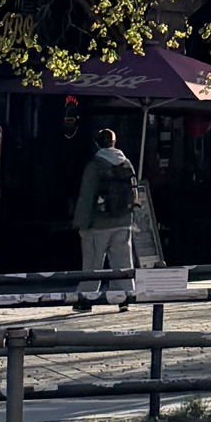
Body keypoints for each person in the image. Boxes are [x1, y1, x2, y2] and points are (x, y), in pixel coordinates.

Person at [72, 127, 137, 308]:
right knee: (122, 263)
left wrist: (81, 224)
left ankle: (86, 298)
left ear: (97, 143)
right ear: (114, 143)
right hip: (124, 221)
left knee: (93, 264)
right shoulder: (126, 163)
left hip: (98, 223)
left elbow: (86, 197)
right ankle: (124, 298)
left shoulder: (95, 166)